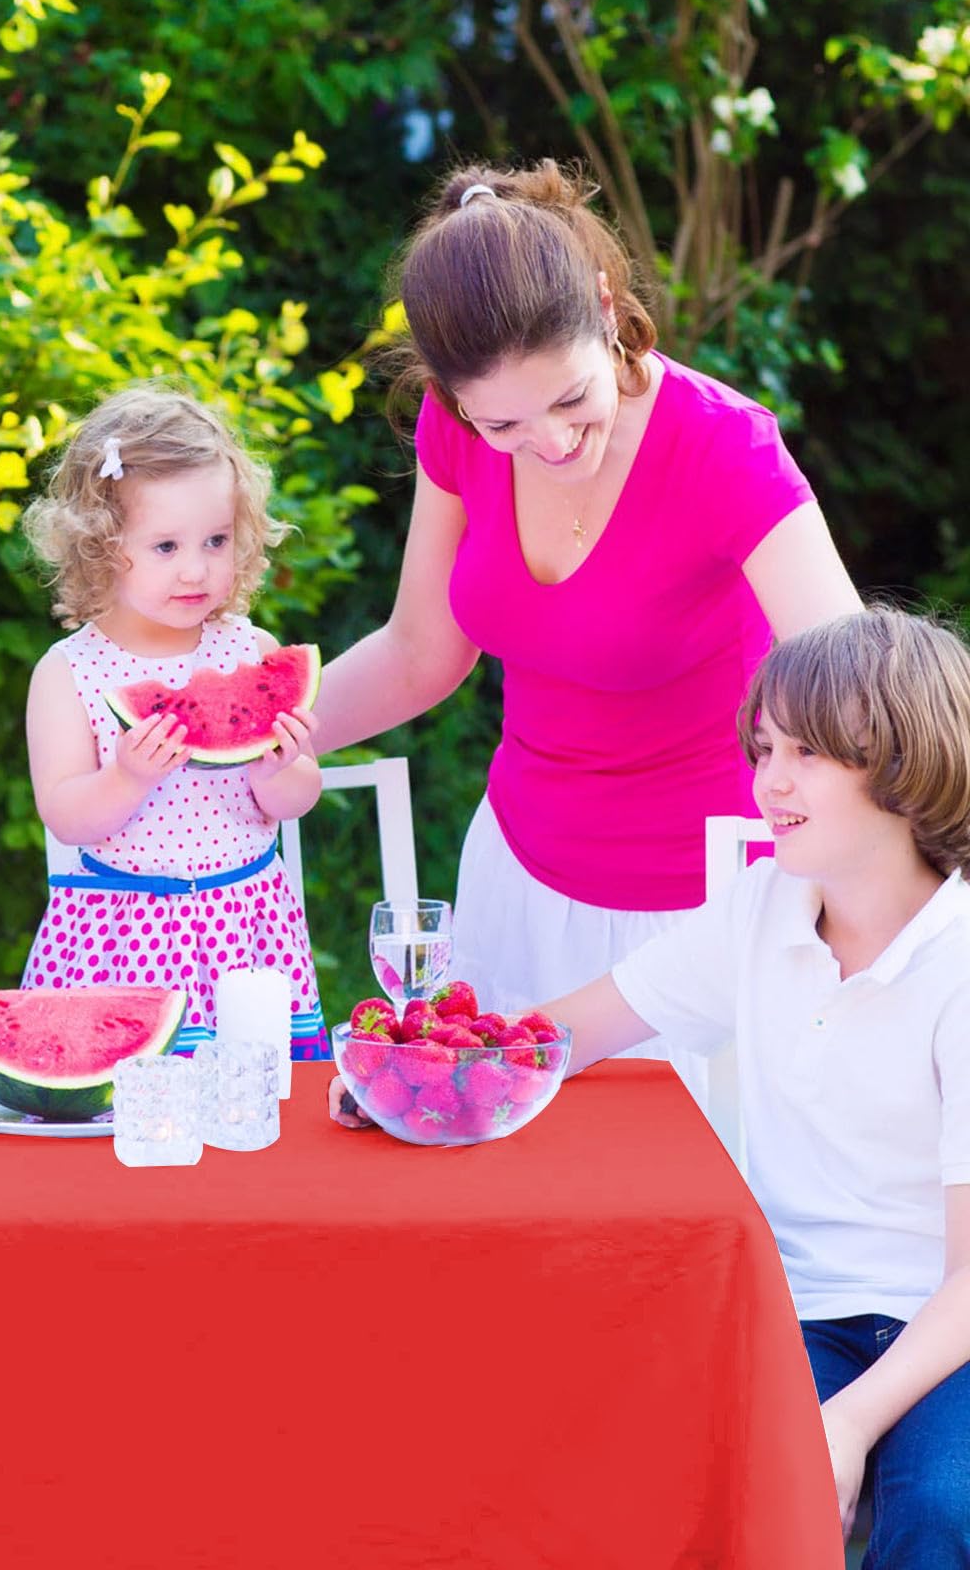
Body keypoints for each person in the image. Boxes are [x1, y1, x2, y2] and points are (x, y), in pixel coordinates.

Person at [341, 609, 970, 1558]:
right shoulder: (760, 911)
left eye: (807, 753)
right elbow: (562, 1034)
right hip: (796, 1306)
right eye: (762, 749)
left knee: (940, 1518)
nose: (771, 782)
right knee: (685, 1479)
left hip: (946, 1328)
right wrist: (418, 1078)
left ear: (901, 763)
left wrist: (846, 1425)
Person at [313, 159, 861, 1096]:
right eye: (504, 426)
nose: (552, 443)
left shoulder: (727, 449)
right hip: (515, 882)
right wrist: (230, 751)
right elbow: (417, 654)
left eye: (571, 398)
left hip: (703, 914)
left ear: (606, 311)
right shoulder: (457, 431)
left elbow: (856, 688)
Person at [22, 385, 326, 1056]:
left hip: (246, 926)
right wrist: (126, 777)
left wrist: (281, 768)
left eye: (216, 540)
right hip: (120, 933)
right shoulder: (69, 672)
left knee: (258, 1100)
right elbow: (67, 815)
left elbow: (295, 800)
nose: (196, 568)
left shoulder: (253, 649)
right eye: (165, 547)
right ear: (100, 546)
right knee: (131, 1112)